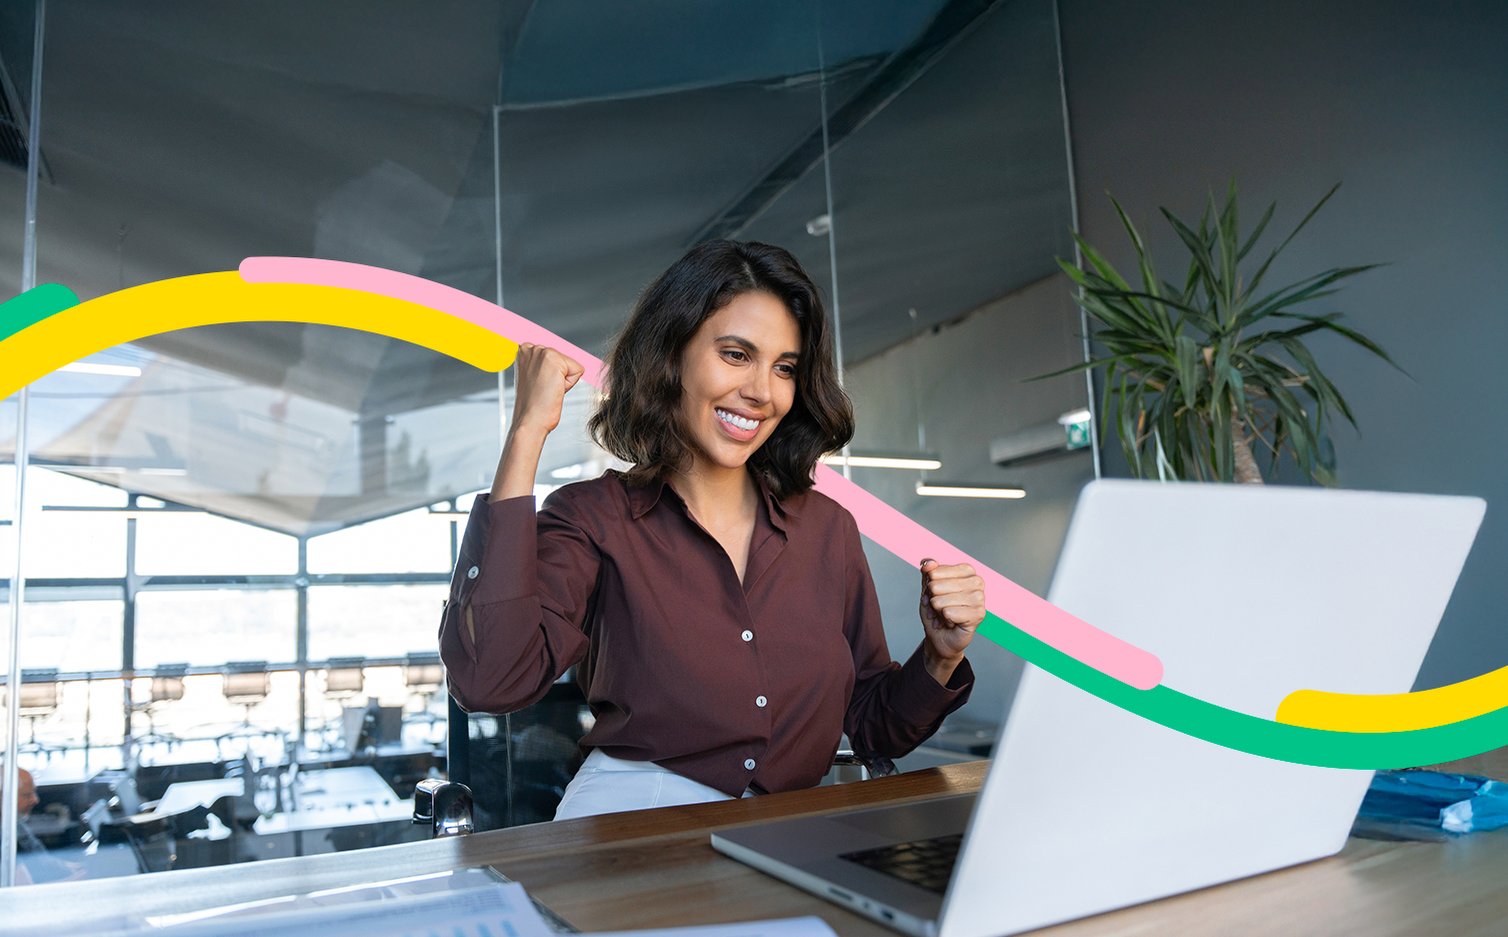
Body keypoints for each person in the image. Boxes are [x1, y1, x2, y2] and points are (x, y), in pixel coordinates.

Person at [439, 239, 985, 819]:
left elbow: (875, 726)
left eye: (784, 368)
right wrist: (527, 431)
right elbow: (490, 680)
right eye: (735, 354)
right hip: (632, 822)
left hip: (785, 832)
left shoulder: (828, 530)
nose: (761, 391)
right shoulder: (593, 517)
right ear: (672, 356)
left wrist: (941, 657)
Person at [2, 766, 77, 885]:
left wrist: (72, 867)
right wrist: (77, 881)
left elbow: (42, 860)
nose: (35, 800)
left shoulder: (15, 823)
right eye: (27, 795)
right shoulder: (5, 839)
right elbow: (23, 894)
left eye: (34, 792)